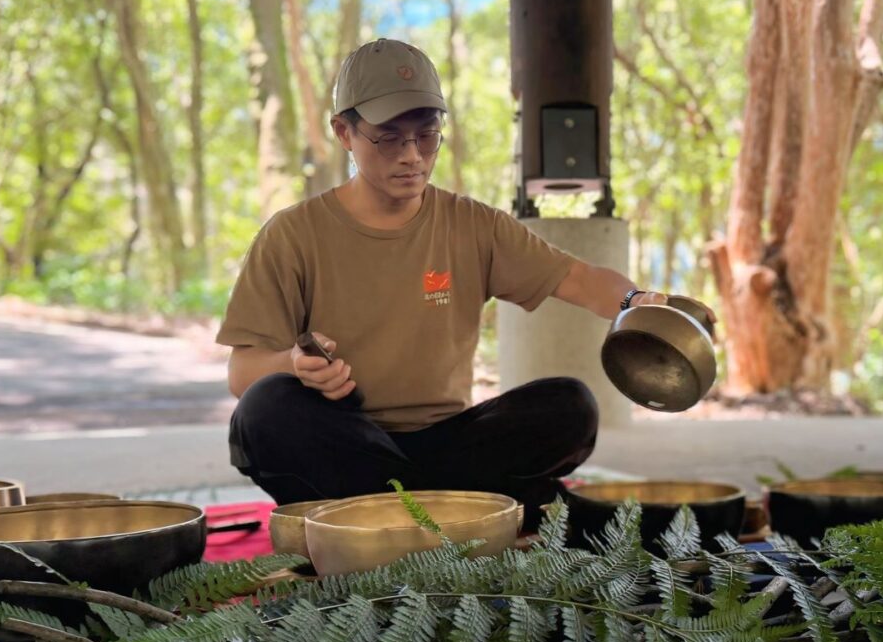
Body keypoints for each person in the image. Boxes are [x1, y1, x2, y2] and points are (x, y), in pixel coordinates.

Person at [216, 37, 677, 524]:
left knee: (570, 406)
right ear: (343, 132)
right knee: (264, 409)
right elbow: (242, 373)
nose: (412, 155)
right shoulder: (292, 234)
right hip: (347, 437)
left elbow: (581, 280)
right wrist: (293, 363)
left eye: (427, 135)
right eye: (389, 137)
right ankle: (469, 506)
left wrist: (639, 301)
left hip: (449, 441)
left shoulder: (474, 225)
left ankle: (394, 511)